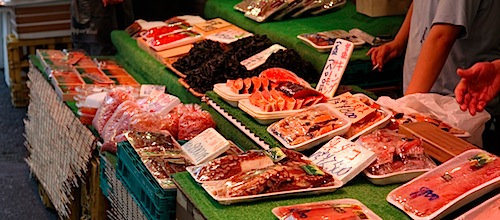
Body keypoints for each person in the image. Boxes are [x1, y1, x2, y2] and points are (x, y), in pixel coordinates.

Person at [367, 1, 500, 97]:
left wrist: (406, 108)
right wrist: (399, 41)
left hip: (455, 102)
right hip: (424, 95)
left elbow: (442, 37)